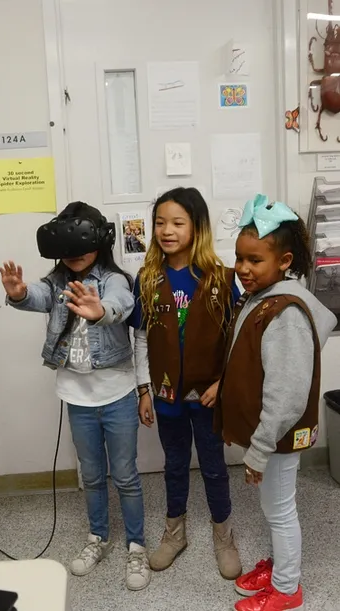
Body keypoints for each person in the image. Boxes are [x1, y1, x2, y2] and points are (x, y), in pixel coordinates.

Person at [0, 202, 151, 591]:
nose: (75, 252)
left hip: (116, 395)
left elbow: (122, 303)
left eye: (82, 241)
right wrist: (18, 294)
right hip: (77, 399)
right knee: (92, 475)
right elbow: (36, 295)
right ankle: (97, 537)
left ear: (100, 241)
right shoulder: (55, 283)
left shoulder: (116, 279)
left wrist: (101, 311)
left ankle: (136, 545)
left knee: (126, 475)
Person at [216, 195, 335, 611]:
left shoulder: (283, 313)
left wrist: (261, 448)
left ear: (284, 261)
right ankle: (279, 564)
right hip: (268, 434)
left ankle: (287, 588)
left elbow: (285, 394)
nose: (243, 269)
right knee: (272, 504)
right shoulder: (262, 299)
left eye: (254, 260)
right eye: (239, 258)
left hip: (277, 436)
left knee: (281, 508)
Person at [130, 187, 242, 580]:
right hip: (165, 395)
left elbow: (236, 338)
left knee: (213, 467)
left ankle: (223, 536)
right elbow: (141, 337)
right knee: (174, 465)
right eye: (160, 222)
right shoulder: (147, 278)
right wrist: (144, 389)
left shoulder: (222, 279)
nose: (166, 230)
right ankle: (175, 533)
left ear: (197, 227)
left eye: (177, 222)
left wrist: (224, 384)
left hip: (208, 394)